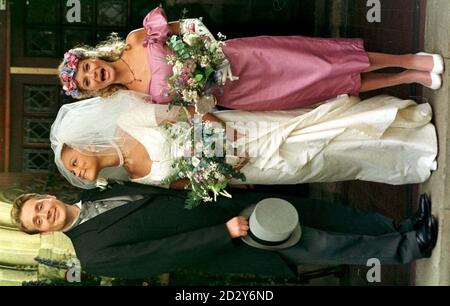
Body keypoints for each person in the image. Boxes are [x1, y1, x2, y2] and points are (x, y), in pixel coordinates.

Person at [11, 181, 437, 279]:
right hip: (232, 236)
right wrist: (225, 233)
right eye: (36, 220)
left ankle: (399, 226)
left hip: (230, 206)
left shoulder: (103, 189)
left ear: (46, 197)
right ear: (39, 233)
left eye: (39, 206)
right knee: (320, 242)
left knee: (324, 214)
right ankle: (407, 247)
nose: (44, 213)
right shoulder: (93, 254)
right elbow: (166, 254)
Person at [58, 6, 444, 111]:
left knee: (324, 62)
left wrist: (206, 54)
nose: (95, 74)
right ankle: (409, 80)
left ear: (92, 57)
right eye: (89, 81)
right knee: (327, 86)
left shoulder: (135, 39)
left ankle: (410, 58)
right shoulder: (135, 98)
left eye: (88, 67)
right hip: (238, 95)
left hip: (243, 58)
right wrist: (201, 94)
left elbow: (188, 26)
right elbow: (185, 109)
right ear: (96, 90)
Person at [49, 90, 437, 189]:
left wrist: (218, 136)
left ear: (84, 143)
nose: (79, 170)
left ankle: (406, 130)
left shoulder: (129, 120)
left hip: (238, 132)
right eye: (75, 172)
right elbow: (184, 184)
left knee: (315, 133)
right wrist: (214, 177)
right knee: (324, 165)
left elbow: (188, 110)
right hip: (242, 168)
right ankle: (404, 160)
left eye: (74, 162)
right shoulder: (134, 179)